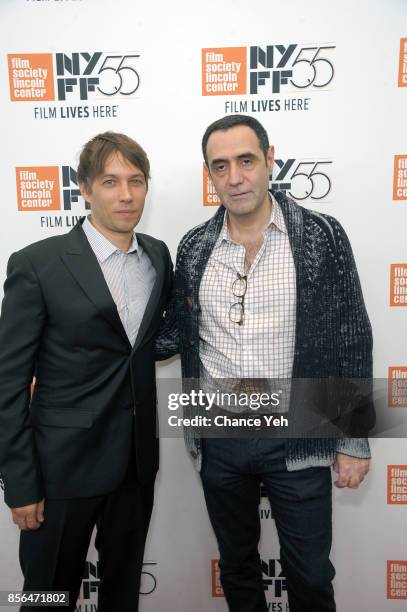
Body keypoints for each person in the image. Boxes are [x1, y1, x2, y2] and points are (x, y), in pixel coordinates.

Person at [175, 115, 373, 612]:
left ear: (269, 160)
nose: (235, 177)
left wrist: (352, 438)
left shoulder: (321, 236)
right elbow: (176, 333)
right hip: (220, 439)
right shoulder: (194, 247)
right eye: (221, 167)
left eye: (246, 161)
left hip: (298, 434)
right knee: (238, 568)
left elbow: (352, 337)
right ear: (210, 175)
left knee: (309, 574)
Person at [0, 132, 175, 611]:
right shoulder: (37, 264)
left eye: (136, 181)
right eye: (111, 181)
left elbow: (144, 346)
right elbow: (8, 383)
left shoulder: (159, 256)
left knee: (123, 596)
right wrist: (20, 483)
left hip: (135, 467)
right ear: (85, 187)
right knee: (45, 596)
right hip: (60, 472)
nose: (125, 194)